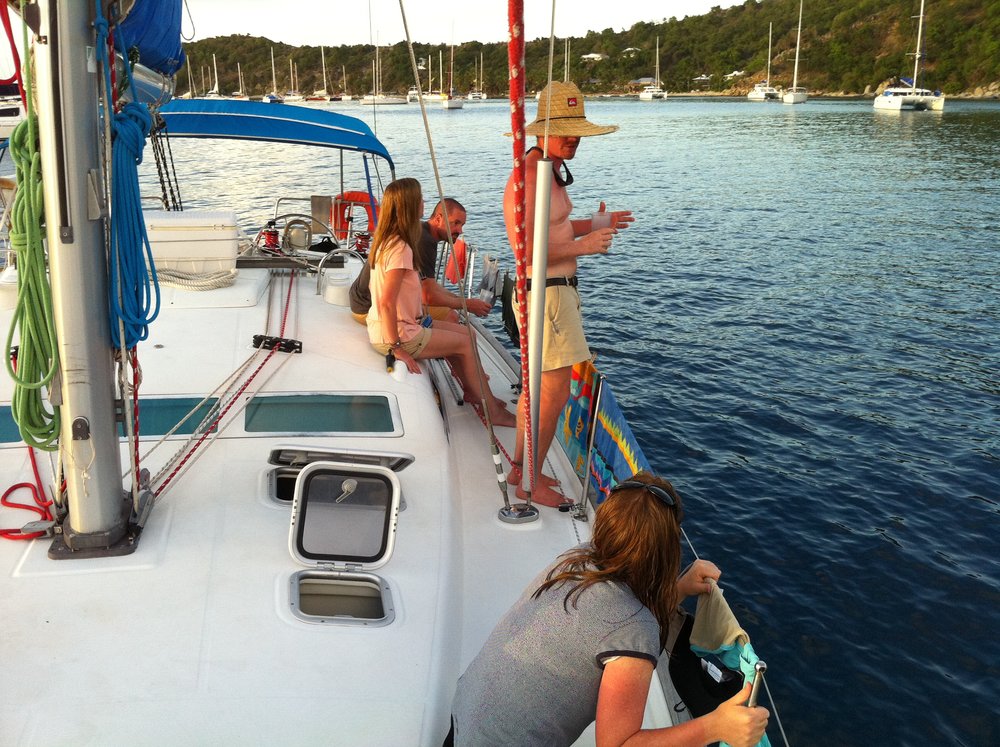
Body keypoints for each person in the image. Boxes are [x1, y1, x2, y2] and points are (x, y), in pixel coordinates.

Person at [450, 472, 770, 747]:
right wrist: (715, 726)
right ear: (667, 550)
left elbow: (608, 620)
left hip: (462, 725)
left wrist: (680, 588)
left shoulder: (574, 562)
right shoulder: (634, 628)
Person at [503, 80, 635, 507]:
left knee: (538, 386)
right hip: (546, 295)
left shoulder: (546, 171)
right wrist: (583, 247)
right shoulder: (530, 176)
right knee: (552, 389)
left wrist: (594, 224)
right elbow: (525, 251)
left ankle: (522, 469)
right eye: (565, 129)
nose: (574, 137)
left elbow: (552, 230)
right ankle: (528, 481)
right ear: (542, 130)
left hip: (554, 294)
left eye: (577, 128)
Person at [366, 178, 515, 427]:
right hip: (399, 333)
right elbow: (387, 303)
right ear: (409, 205)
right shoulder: (401, 248)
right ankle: (493, 412)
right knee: (465, 342)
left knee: (464, 333)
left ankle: (473, 390)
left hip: (403, 324)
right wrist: (397, 347)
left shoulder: (389, 241)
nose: (424, 201)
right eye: (420, 198)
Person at [350, 197, 493, 325]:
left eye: (462, 225)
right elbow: (428, 296)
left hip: (361, 300)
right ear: (438, 219)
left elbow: (431, 286)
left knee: (450, 306)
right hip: (369, 307)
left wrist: (461, 300)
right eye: (456, 223)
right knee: (450, 316)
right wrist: (466, 304)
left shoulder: (422, 232)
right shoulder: (424, 240)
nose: (460, 230)